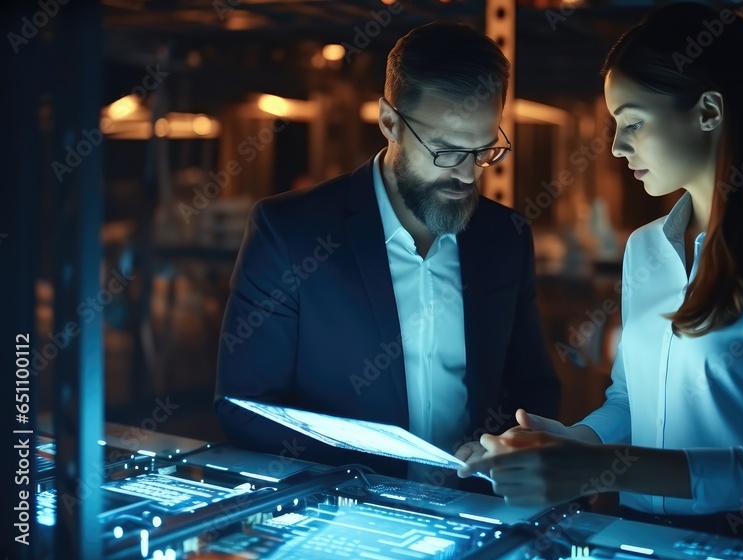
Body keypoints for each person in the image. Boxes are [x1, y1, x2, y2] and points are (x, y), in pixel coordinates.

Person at [460, 2, 743, 550]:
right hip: (632, 537)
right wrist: (568, 444)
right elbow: (630, 403)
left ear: (707, 111)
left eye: (633, 121)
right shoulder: (645, 248)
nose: (617, 146)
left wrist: (602, 467)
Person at [215, 21, 561, 490]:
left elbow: (533, 389)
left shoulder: (506, 236)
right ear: (388, 121)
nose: (465, 174)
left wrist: (507, 444)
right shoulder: (292, 233)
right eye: (444, 149)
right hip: (343, 516)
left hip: (475, 513)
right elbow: (244, 406)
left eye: (482, 150)